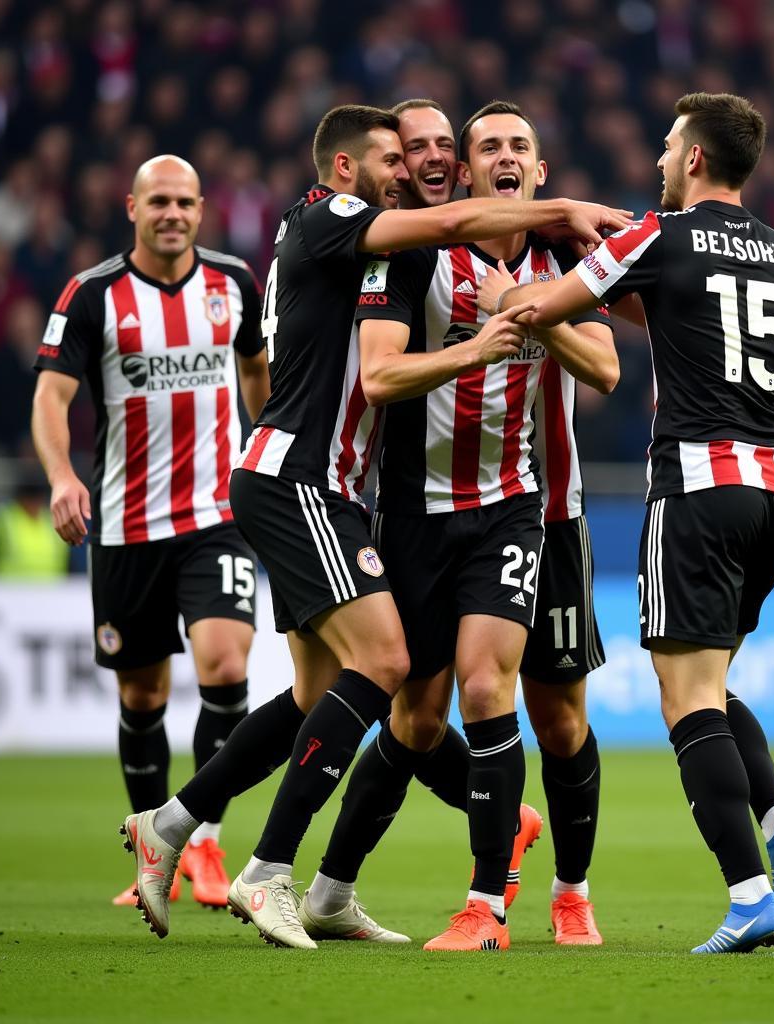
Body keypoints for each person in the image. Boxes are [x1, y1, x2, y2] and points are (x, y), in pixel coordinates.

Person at [121, 103, 632, 947]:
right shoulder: (348, 223)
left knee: (320, 695)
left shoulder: (384, 239)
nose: (413, 165)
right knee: (388, 663)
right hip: (310, 480)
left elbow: (609, 354)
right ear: (350, 170)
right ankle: (268, 870)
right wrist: (537, 253)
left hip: (339, 484)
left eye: (429, 149)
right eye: (402, 153)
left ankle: (173, 824)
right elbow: (400, 343)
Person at [483, 92, 774, 953]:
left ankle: (746, 897)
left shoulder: (662, 233)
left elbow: (545, 310)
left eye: (666, 146)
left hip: (696, 486)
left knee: (685, 700)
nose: (659, 159)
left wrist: (512, 291)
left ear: (693, 157)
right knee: (716, 684)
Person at [300, 100, 617, 953]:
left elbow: (609, 368)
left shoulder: (562, 259)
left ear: (538, 173)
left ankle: (534, 900)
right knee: (415, 720)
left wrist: (522, 304)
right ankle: (330, 888)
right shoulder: (413, 254)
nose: (503, 156)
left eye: (520, 145)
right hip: (413, 514)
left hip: (533, 508)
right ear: (469, 179)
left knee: (529, 706)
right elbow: (378, 375)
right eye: (488, 148)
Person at [32, 155, 271, 911]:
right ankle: (150, 848)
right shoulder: (93, 294)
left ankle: (200, 838)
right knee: (143, 694)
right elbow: (50, 397)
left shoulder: (234, 282)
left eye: (185, 202)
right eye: (158, 201)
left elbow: (259, 373)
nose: (173, 213)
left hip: (217, 516)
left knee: (227, 668)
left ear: (203, 210)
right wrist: (63, 477)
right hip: (127, 526)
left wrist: (265, 449)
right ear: (130, 207)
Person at [0, 463, 70, 578]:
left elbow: (69, 563)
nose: (34, 503)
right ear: (20, 498)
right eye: (31, 497)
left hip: (52, 593)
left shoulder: (54, 521)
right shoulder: (3, 521)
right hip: (7, 592)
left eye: (37, 497)